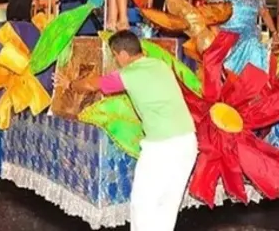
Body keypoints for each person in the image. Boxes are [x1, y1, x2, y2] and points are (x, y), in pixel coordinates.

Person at [69, 30, 197, 230]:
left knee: (143, 203)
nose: (116, 60)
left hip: (162, 146)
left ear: (122, 54)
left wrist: (70, 83)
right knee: (167, 205)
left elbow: (90, 84)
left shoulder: (130, 74)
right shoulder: (160, 64)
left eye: (114, 55)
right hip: (188, 142)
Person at [210, 0, 279, 74]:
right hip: (228, 36)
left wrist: (275, 33)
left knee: (253, 44)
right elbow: (212, 17)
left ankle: (254, 81)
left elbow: (265, 14)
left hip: (250, 35)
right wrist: (217, 36)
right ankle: (234, 74)